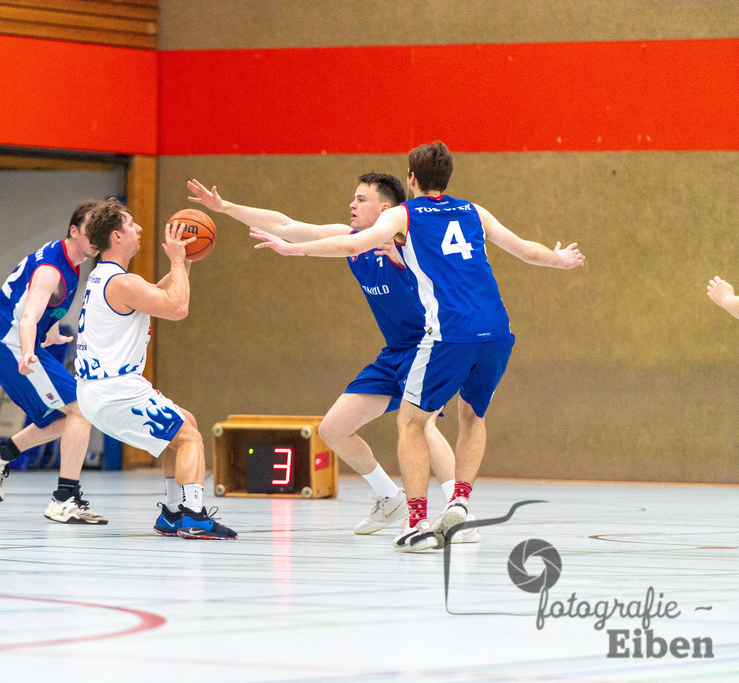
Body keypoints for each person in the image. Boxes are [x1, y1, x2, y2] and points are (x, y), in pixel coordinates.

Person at [250, 141, 584, 552]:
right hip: (498, 329)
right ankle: (460, 504)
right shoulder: (475, 211)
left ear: (411, 179)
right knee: (472, 416)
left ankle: (417, 521)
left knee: (411, 422)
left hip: (449, 331)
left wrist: (294, 249)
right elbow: (526, 250)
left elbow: (353, 244)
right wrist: (558, 259)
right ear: (447, 177)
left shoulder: (403, 214)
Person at [186, 175, 479, 542]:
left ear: (386, 209)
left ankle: (458, 511)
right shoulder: (352, 241)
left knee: (424, 426)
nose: (352, 205)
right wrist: (224, 207)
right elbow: (286, 225)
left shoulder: (410, 240)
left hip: (430, 348)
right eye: (352, 198)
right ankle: (389, 497)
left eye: (361, 199)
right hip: (394, 353)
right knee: (332, 429)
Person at [75, 198, 236, 540]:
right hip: (116, 390)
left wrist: (184, 263)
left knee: (183, 425)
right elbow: (178, 307)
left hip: (100, 391)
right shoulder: (122, 282)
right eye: (131, 225)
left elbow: (160, 295)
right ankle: (194, 516)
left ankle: (173, 513)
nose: (139, 229)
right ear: (116, 237)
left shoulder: (109, 278)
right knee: (190, 438)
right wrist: (178, 261)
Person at [0, 201, 108, 525]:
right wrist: (26, 351)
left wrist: (51, 330)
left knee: (68, 419)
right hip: (8, 345)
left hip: (18, 343)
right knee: (81, 408)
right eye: (90, 228)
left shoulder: (70, 261)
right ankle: (63, 499)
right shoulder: (53, 269)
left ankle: (0, 454)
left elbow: (35, 304)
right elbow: (28, 317)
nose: (96, 237)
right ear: (73, 230)